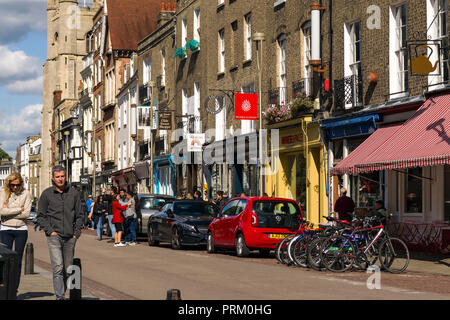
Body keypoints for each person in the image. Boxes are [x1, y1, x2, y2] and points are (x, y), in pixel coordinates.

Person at [36, 165, 84, 300]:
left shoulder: (74, 193)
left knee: (68, 269)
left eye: (62, 176)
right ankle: (60, 297)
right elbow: (40, 216)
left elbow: (80, 215)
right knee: (57, 268)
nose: (60, 179)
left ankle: (62, 292)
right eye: (57, 177)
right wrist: (50, 231)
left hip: (70, 237)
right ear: (53, 178)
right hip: (54, 236)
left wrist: (76, 234)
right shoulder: (47, 194)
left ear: (65, 176)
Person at [0, 172, 32, 291]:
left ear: (21, 184)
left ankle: (14, 288)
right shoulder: (3, 193)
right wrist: (19, 209)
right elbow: (1, 211)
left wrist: (9, 211)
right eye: (12, 185)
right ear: (8, 184)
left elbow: (27, 214)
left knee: (17, 260)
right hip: (5, 229)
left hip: (21, 230)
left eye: (17, 185)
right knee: (4, 259)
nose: (14, 187)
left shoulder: (26, 193)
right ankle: (4, 287)